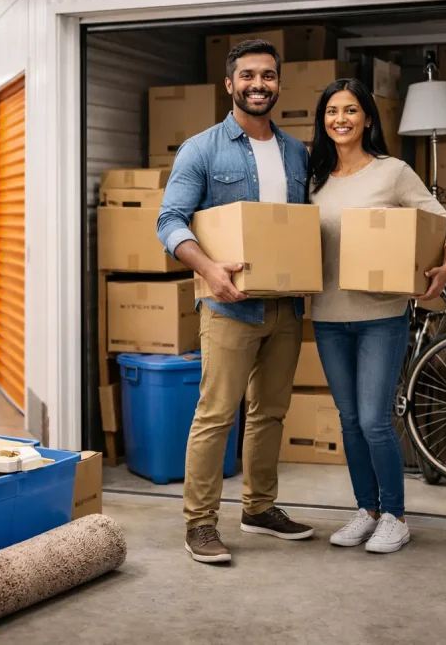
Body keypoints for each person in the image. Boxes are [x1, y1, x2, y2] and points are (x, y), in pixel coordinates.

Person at [156, 39, 314, 564]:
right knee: (216, 414)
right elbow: (169, 221)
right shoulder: (202, 149)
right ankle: (199, 523)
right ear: (230, 84)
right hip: (228, 304)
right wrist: (209, 270)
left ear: (277, 83)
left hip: (285, 305)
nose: (258, 85)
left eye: (268, 76)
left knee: (269, 412)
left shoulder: (296, 152)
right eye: (248, 76)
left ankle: (259, 507)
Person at [307, 78, 446, 554]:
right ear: (323, 120)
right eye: (332, 111)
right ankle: (366, 509)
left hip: (382, 314)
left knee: (375, 419)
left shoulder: (392, 172)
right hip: (328, 316)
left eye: (351, 110)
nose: (340, 119)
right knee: (350, 419)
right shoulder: (313, 179)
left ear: (368, 119)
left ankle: (395, 515)